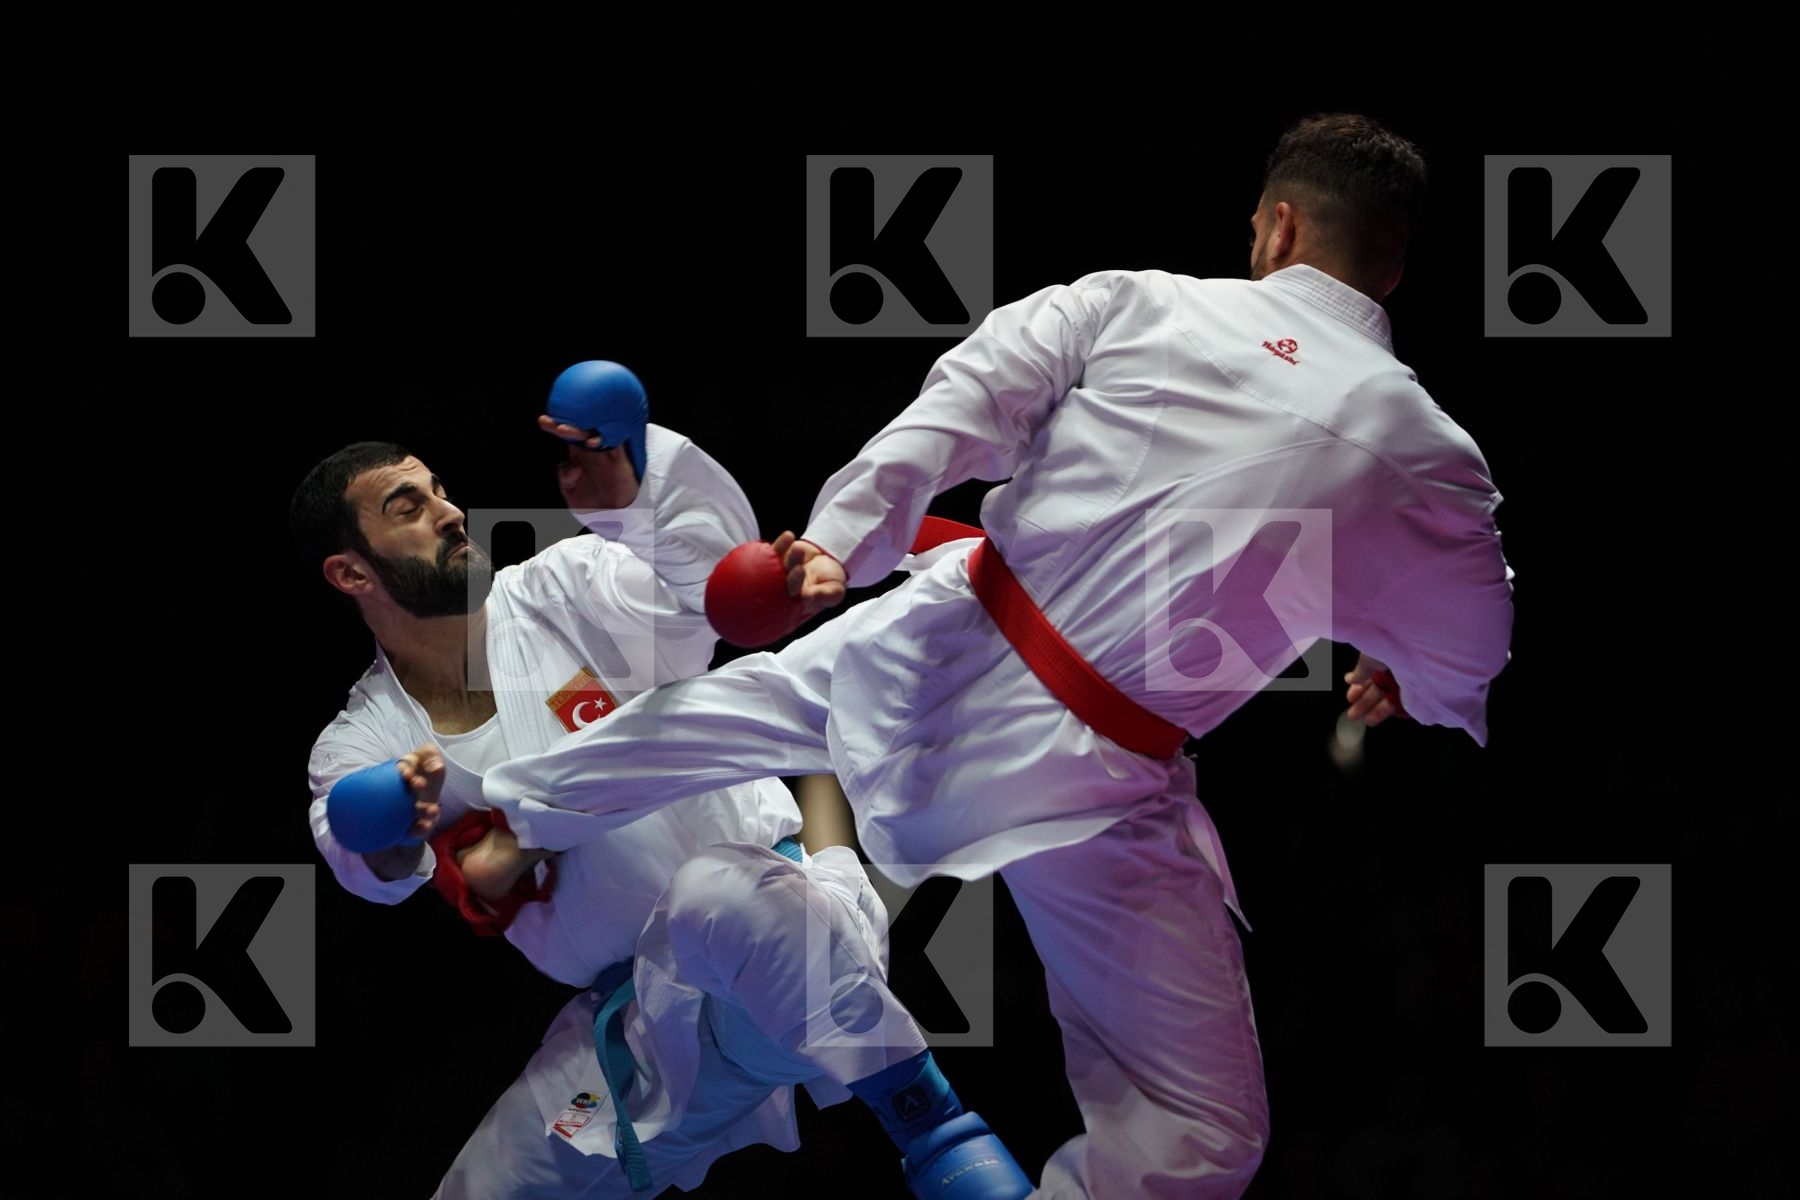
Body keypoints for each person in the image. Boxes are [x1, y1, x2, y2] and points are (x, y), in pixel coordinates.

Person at [476, 115, 1517, 1199]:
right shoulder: (1425, 454)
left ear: (1280, 225)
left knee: (729, 711)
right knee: (1202, 1132)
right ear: (1394, 266)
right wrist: (1413, 673)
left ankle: (512, 820)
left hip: (943, 640)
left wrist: (843, 545)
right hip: (1097, 779)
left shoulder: (1135, 300)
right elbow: (1472, 644)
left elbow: (959, 406)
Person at [292, 366, 1032, 1198]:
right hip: (639, 1028)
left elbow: (710, 589)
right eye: (408, 508)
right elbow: (369, 866)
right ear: (351, 574)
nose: (449, 512)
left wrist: (635, 493)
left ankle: (934, 1126)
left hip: (786, 936)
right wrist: (384, 828)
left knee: (714, 892)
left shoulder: (565, 591)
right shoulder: (365, 737)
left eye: (439, 490)